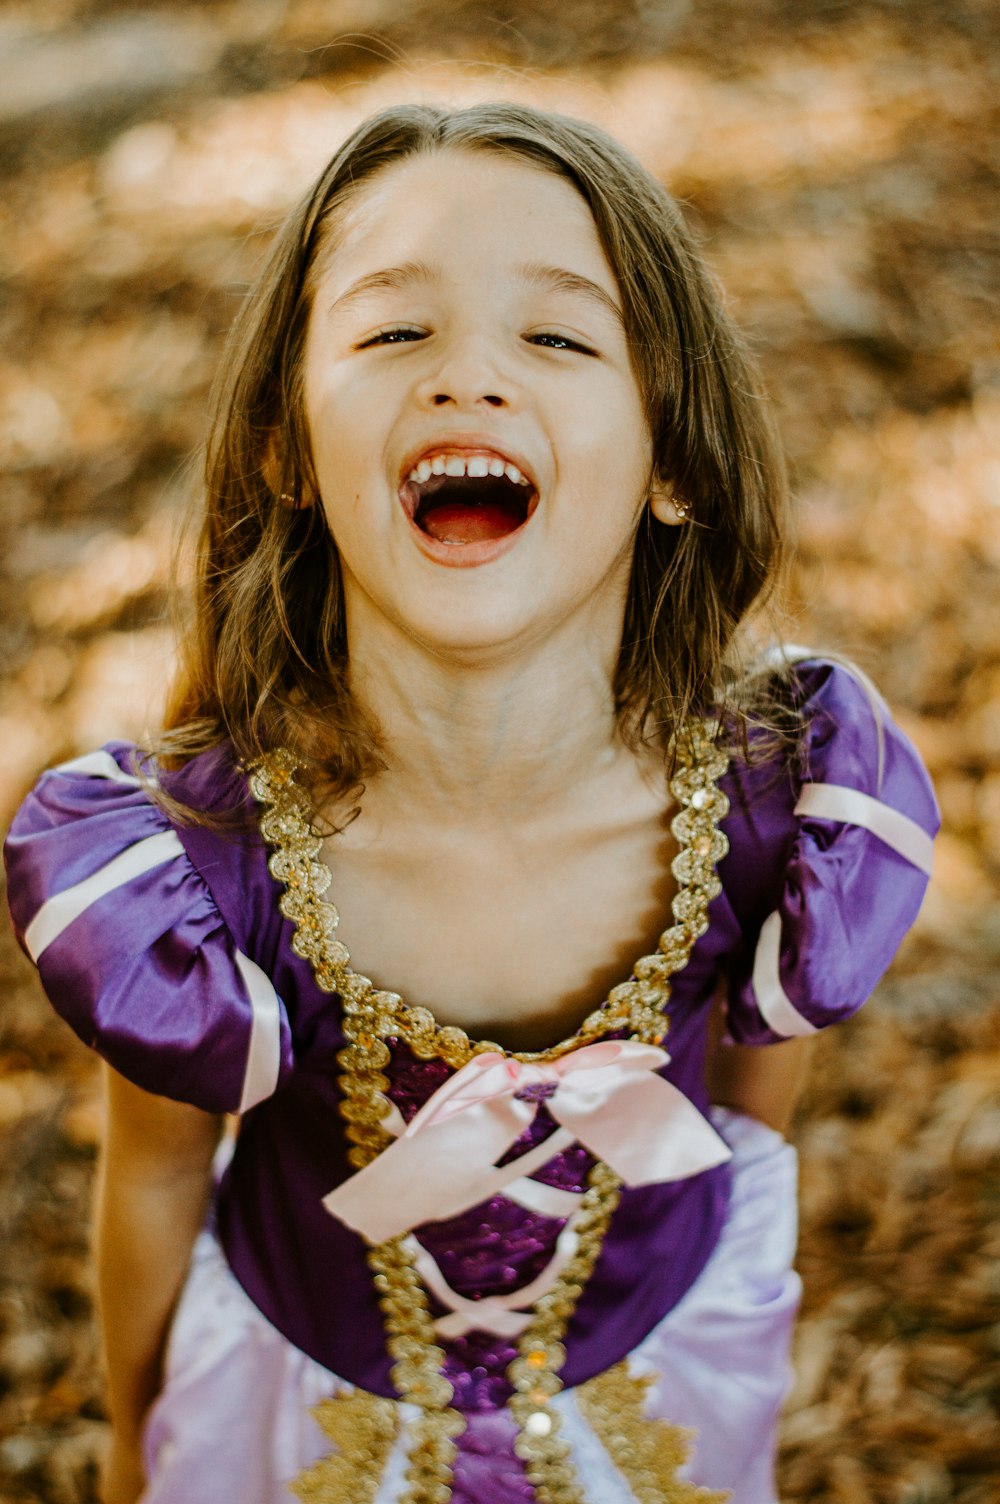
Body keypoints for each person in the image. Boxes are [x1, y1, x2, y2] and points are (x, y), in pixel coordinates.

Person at [4, 103, 939, 1504]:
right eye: (393, 334)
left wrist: (742, 1317)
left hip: (655, 1402)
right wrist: (139, 1447)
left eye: (559, 338)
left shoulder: (780, 814)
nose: (468, 381)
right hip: (290, 1423)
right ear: (285, 448)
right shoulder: (194, 874)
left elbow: (751, 1124)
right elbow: (152, 1180)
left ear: (675, 453)